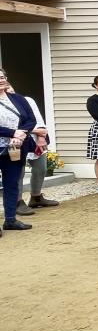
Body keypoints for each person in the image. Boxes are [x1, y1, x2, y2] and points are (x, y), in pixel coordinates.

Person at [5, 84, 58, 214]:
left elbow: (37, 120)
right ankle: (17, 202)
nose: (9, 91)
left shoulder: (26, 101)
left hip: (34, 140)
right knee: (18, 172)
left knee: (41, 168)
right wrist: (29, 131)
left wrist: (41, 136)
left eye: (10, 88)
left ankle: (36, 197)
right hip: (13, 142)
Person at [0, 68, 38, 233]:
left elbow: (31, 119)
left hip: (14, 148)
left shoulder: (18, 98)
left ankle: (10, 220)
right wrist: (12, 133)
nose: (1, 79)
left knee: (12, 184)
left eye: (2, 76)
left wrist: (22, 134)